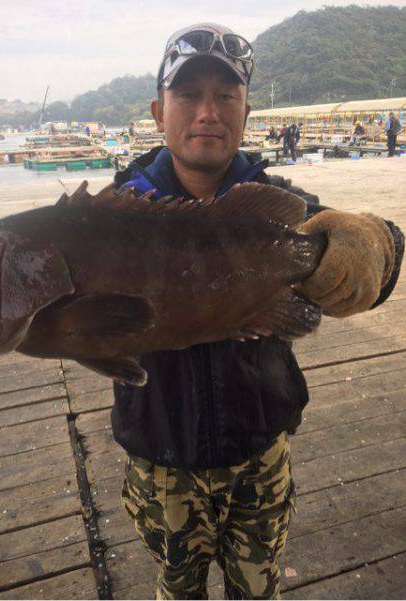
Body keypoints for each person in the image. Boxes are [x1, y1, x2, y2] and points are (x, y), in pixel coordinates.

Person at [100, 24, 404, 599]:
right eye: (188, 95)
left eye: (226, 95)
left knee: (258, 590)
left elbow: (373, 249)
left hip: (259, 458)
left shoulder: (282, 210)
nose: (207, 112)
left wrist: (375, 244)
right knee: (176, 587)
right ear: (157, 110)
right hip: (161, 460)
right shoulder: (116, 217)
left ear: (246, 112)